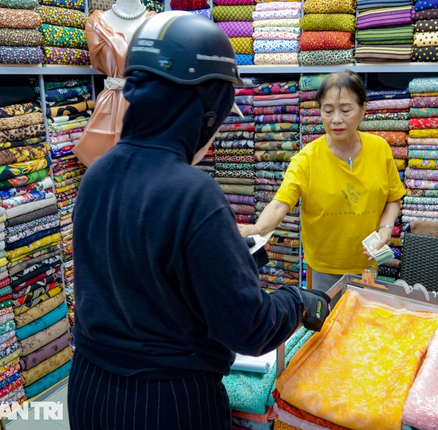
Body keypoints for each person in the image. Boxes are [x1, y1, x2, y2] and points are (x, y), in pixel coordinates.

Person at [68, 12, 330, 430]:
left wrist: (225, 256)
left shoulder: (98, 173)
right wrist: (298, 301)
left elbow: (138, 272)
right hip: (166, 403)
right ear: (206, 107)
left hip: (90, 390)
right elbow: (249, 328)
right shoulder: (192, 193)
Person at [239, 70, 405, 292]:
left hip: (368, 262)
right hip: (325, 268)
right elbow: (280, 204)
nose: (336, 119)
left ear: (363, 109)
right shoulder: (306, 159)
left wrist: (386, 228)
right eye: (328, 111)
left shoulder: (379, 149)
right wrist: (258, 229)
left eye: (346, 110)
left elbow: (393, 199)